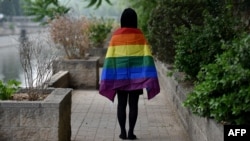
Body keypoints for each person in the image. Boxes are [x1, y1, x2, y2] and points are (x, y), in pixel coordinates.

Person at [99, 8, 160, 140]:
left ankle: (122, 133)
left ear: (122, 20)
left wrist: (108, 77)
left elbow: (110, 58)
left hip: (120, 77)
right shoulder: (140, 36)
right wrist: (148, 76)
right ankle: (131, 132)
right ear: (135, 20)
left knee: (121, 104)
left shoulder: (116, 36)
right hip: (137, 78)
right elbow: (146, 57)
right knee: (134, 104)